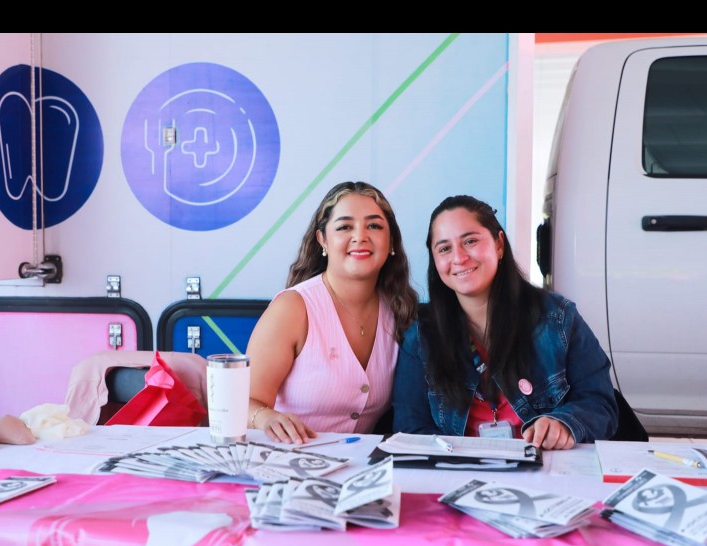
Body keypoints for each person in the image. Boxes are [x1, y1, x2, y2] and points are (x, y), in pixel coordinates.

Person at [392, 195, 618, 450]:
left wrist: (564, 424)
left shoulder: (558, 318)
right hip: (459, 469)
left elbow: (601, 404)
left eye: (470, 241)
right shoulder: (421, 335)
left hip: (547, 465)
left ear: (499, 244)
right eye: (444, 248)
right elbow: (409, 426)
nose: (459, 257)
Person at [246, 181, 418, 444]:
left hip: (361, 464)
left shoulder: (399, 310)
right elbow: (241, 403)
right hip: (284, 458)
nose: (360, 236)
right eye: (344, 227)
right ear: (323, 240)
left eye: (374, 226)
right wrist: (266, 418)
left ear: (391, 240)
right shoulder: (292, 307)